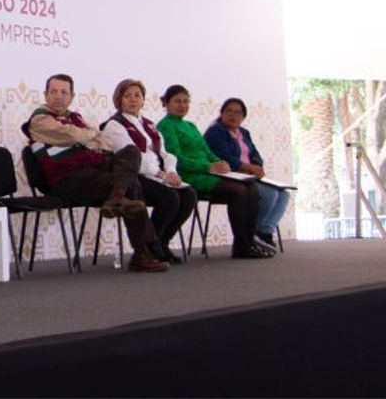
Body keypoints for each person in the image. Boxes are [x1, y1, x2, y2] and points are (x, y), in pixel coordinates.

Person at [23, 73, 168, 272]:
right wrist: (88, 136)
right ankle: (144, 251)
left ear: (72, 96)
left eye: (64, 92)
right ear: (45, 94)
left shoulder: (75, 118)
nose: (58, 96)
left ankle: (116, 199)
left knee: (131, 152)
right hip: (66, 178)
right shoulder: (40, 119)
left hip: (91, 173)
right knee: (132, 185)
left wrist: (87, 137)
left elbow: (105, 142)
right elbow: (71, 134)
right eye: (53, 91)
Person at [156, 86, 273, 259]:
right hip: (188, 175)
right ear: (166, 103)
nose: (182, 105)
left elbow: (207, 151)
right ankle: (241, 246)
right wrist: (208, 167)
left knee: (251, 187)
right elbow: (176, 159)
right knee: (238, 191)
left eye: (186, 101)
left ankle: (249, 243)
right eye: (177, 101)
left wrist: (219, 163)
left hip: (207, 172)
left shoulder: (190, 125)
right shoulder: (165, 126)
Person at [101, 79, 196, 265]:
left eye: (137, 95)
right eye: (127, 96)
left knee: (189, 195)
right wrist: (162, 175)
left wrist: (171, 171)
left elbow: (164, 153)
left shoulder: (149, 124)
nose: (133, 99)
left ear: (143, 100)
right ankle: (150, 247)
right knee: (170, 197)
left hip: (157, 174)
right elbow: (133, 157)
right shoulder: (114, 125)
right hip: (134, 177)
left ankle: (162, 243)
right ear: (119, 100)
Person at [203, 97, 291, 248]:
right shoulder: (215, 132)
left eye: (238, 112)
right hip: (229, 176)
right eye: (229, 111)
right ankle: (250, 234)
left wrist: (256, 166)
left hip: (248, 176)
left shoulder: (244, 132)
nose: (233, 115)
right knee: (270, 194)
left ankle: (264, 233)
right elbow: (223, 157)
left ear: (243, 117)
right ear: (221, 113)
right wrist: (248, 168)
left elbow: (255, 154)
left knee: (284, 194)